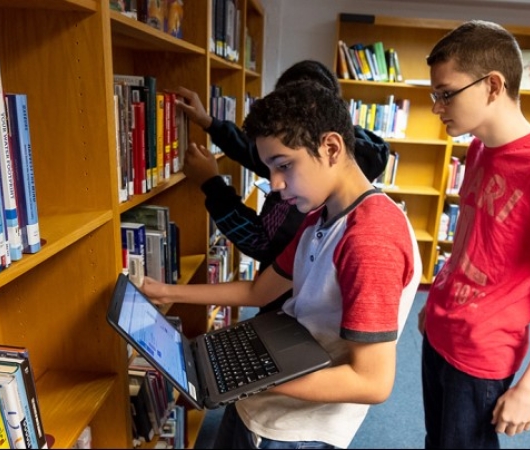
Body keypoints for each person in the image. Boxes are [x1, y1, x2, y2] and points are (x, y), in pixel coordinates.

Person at [141, 80, 421, 449]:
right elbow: (261, 289)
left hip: (295, 430)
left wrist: (244, 375)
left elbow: (372, 382)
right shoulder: (321, 213)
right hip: (266, 399)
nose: (274, 184)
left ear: (332, 148)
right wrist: (166, 291)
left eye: (284, 165)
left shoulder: (371, 239)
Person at [419, 20, 530, 449]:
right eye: (434, 95)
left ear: (492, 86)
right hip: (442, 325)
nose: (437, 107)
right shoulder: (478, 147)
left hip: (484, 349)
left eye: (445, 93)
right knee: (435, 441)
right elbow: (473, 240)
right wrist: (438, 296)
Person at [176, 60, 390, 313]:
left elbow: (262, 244)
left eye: (284, 165)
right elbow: (259, 154)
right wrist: (209, 123)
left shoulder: (323, 207)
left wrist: (212, 185)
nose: (275, 182)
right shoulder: (327, 179)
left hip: (286, 311)